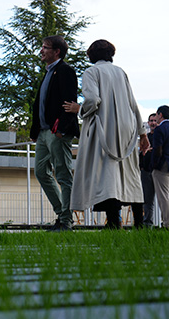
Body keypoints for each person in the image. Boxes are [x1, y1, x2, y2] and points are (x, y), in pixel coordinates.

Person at [65, 39, 150, 229]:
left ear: (91, 55)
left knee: (107, 173)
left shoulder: (92, 72)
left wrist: (79, 109)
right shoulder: (121, 72)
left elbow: (93, 99)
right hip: (128, 126)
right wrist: (143, 133)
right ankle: (140, 222)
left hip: (105, 126)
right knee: (130, 172)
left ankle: (113, 221)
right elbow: (133, 103)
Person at [30, 35, 79, 232]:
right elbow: (40, 104)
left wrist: (61, 130)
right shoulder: (49, 72)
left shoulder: (66, 71)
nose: (41, 51)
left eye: (45, 47)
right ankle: (61, 213)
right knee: (41, 171)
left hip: (56, 132)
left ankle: (66, 221)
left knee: (63, 175)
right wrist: (35, 131)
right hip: (43, 132)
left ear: (57, 51)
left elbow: (69, 104)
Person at [133, 113, 158, 228]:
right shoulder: (146, 137)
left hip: (158, 171)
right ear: (148, 123)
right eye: (151, 121)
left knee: (164, 199)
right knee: (147, 200)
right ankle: (148, 222)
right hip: (146, 172)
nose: (153, 123)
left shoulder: (160, 136)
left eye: (155, 121)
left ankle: (167, 222)